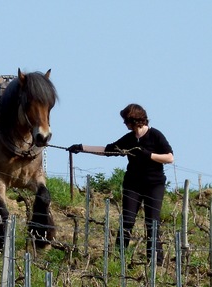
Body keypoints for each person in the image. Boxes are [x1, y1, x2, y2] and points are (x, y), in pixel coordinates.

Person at [68, 103, 174, 266]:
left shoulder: (155, 135)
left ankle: (155, 263)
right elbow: (108, 150)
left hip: (154, 185)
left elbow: (169, 157)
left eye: (126, 121)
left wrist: (148, 154)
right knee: (127, 221)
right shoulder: (129, 139)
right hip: (133, 185)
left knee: (152, 222)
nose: (124, 124)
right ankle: (118, 258)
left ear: (134, 120)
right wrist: (81, 147)